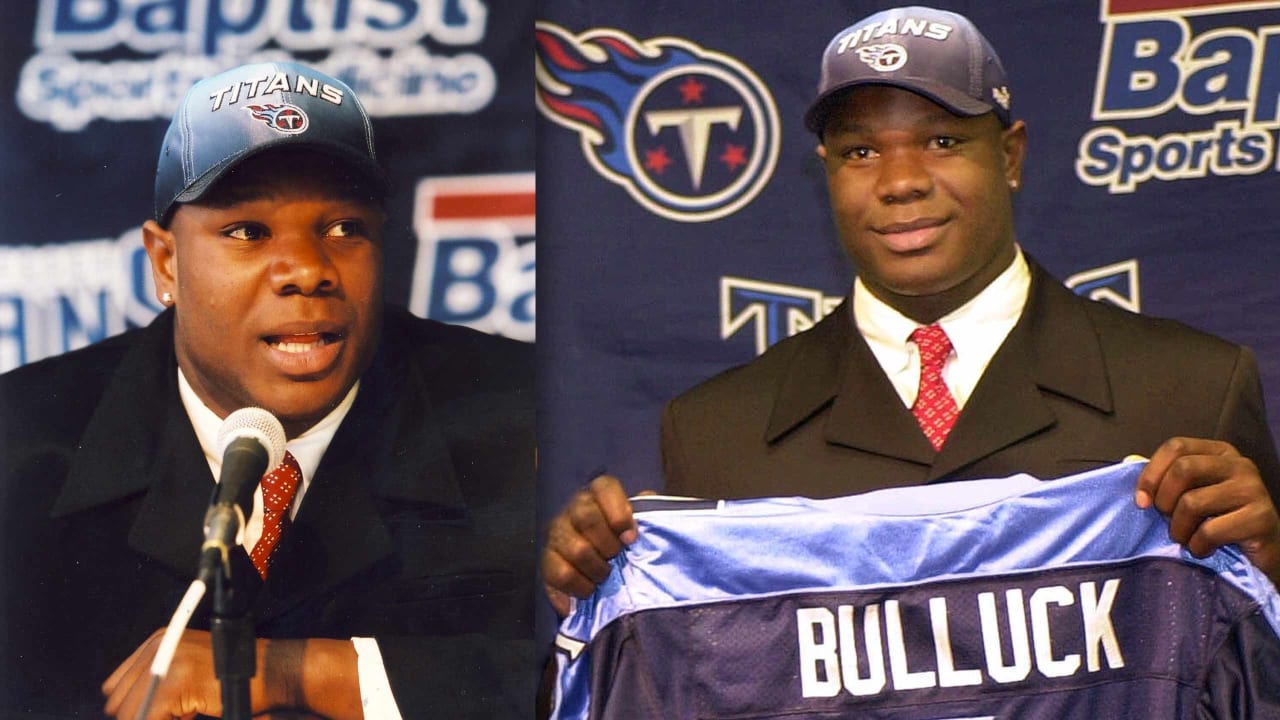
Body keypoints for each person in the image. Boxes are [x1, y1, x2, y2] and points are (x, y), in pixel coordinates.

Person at [541, 6, 1280, 612]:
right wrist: (595, 607)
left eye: (942, 140)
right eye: (861, 152)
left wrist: (1271, 569)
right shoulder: (714, 436)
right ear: (826, 172)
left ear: (1011, 156)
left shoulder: (1192, 389)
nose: (900, 182)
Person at [0, 62, 535, 718]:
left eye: (344, 228)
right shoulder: (21, 443)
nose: (308, 270)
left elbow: (603, 670)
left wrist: (302, 671)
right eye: (248, 232)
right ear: (166, 262)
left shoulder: (522, 414)